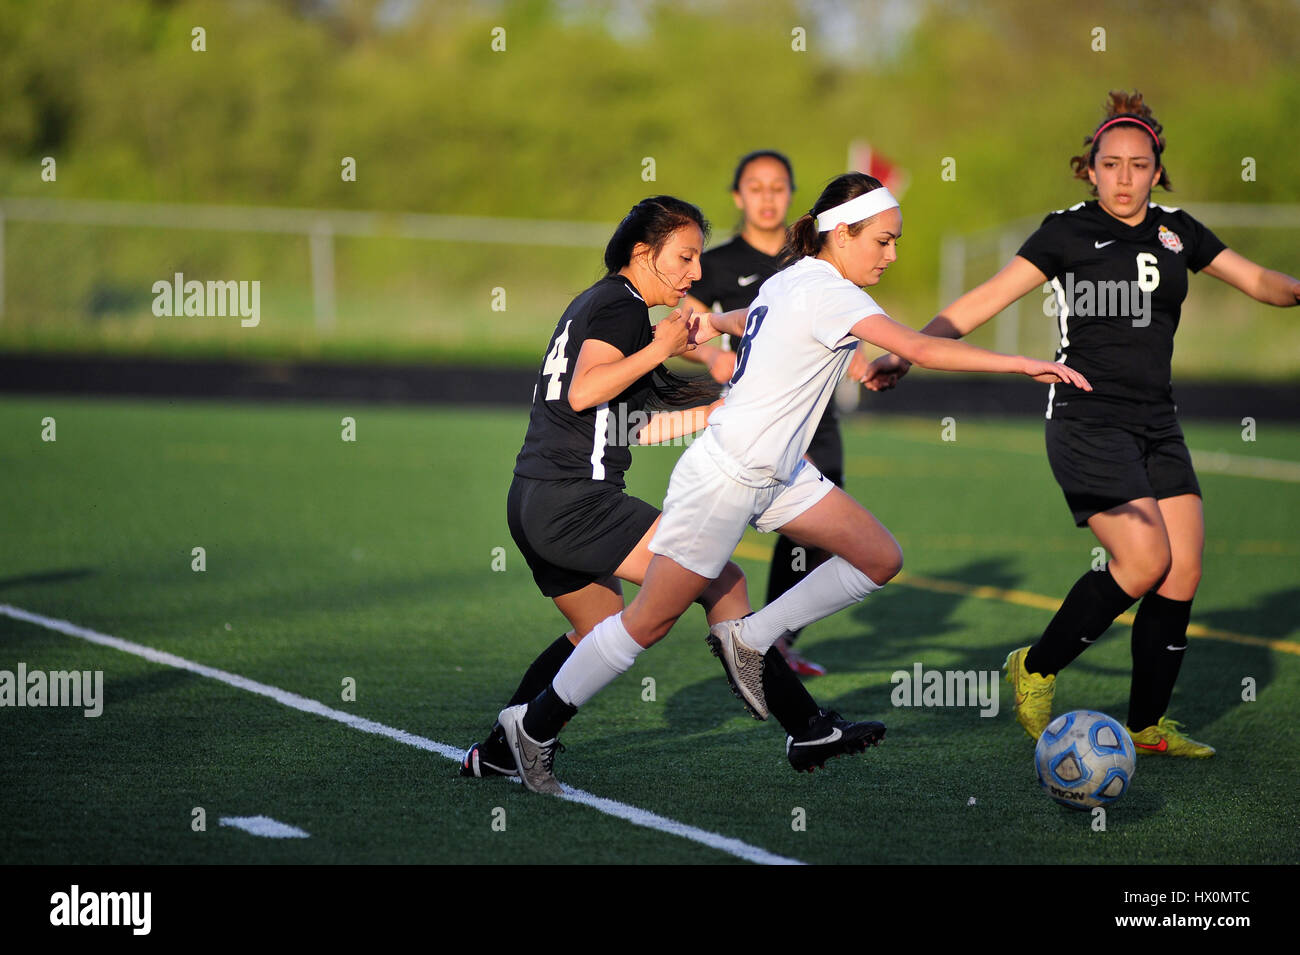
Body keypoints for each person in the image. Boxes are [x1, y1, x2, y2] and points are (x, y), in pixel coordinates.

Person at [498, 172, 1091, 794]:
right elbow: (923, 346)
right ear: (843, 233)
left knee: (879, 557)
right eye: (884, 241)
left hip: (779, 471)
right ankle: (532, 729)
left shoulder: (794, 280)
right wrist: (1025, 363)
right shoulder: (829, 293)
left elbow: (747, 316)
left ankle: (753, 642)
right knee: (645, 623)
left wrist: (708, 327)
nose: (892, 254)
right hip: (727, 477)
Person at [858, 91, 1300, 757]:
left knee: (1183, 571)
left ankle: (1149, 725)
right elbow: (985, 298)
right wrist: (907, 352)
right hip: (1086, 418)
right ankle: (1035, 666)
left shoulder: (1179, 230)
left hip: (1159, 421)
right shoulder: (1066, 230)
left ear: (1158, 170)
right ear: (1089, 169)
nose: (1125, 177)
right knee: (1145, 559)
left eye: (1139, 164)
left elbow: (1260, 279)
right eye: (1111, 164)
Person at [461, 196, 872, 782]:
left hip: (533, 499)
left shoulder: (599, 305)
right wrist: (658, 348)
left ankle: (500, 753)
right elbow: (584, 392)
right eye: (684, 257)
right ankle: (806, 729)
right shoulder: (620, 308)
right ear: (642, 253)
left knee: (592, 634)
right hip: (579, 503)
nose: (696, 273)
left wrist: (719, 411)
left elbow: (635, 424)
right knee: (722, 580)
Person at [683, 149, 858, 678]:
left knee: (820, 534)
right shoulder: (717, 263)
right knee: (721, 527)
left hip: (814, 417)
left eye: (778, 187)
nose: (767, 197)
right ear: (738, 196)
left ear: (791, 195)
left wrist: (863, 361)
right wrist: (712, 352)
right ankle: (726, 624)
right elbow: (682, 320)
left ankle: (774, 641)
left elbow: (844, 320)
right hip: (754, 420)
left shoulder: (809, 263)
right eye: (755, 188)